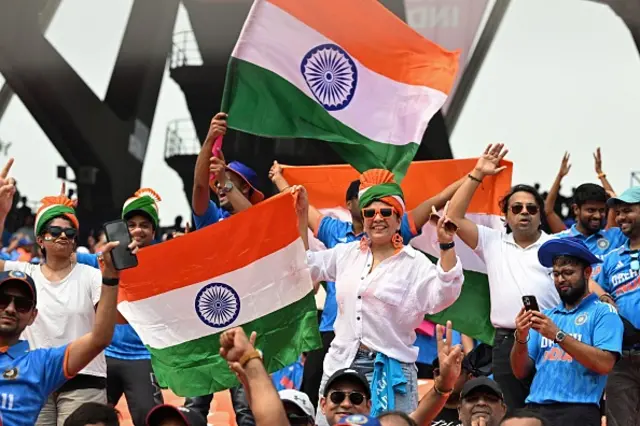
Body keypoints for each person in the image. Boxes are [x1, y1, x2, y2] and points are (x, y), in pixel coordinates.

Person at [270, 160, 465, 409]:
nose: (377, 219)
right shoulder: (347, 253)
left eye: (386, 213)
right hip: (340, 366)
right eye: (370, 213)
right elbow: (303, 268)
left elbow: (443, 295)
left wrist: (446, 245)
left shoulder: (414, 263)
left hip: (391, 371)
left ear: (398, 219)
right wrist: (300, 215)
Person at [447, 144, 560, 411]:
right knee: (512, 414)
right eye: (517, 208)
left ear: (540, 216)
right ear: (506, 215)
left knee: (551, 413)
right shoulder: (491, 241)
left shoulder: (558, 245)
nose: (524, 212)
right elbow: (452, 216)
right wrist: (477, 173)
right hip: (507, 340)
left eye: (532, 209)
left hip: (551, 338)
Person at [0, 193, 109, 426]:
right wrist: (1, 214)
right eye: (54, 231)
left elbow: (112, 324)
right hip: (35, 379)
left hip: (85, 378)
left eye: (69, 233)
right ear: (40, 239)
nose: (62, 236)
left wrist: (114, 280)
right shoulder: (26, 273)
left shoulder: (92, 276)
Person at [186, 112, 263, 424]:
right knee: (193, 408)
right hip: (206, 322)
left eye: (232, 183)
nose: (221, 186)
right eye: (220, 181)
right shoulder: (209, 219)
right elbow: (199, 185)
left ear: (246, 190)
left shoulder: (258, 221)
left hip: (245, 323)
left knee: (247, 411)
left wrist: (225, 179)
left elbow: (254, 221)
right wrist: (208, 142)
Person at [75, 188, 165, 426]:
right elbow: (63, 258)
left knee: (151, 420)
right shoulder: (103, 260)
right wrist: (66, 220)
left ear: (154, 231)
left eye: (145, 225)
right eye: (131, 224)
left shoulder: (166, 262)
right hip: (104, 354)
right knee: (89, 421)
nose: (137, 230)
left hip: (144, 357)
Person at [510, 238, 622, 426]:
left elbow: (605, 364)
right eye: (556, 274)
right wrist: (520, 338)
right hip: (535, 408)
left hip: (578, 410)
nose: (561, 279)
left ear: (587, 272)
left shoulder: (604, 312)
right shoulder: (546, 316)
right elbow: (520, 372)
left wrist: (558, 335)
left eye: (568, 273)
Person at [594, 187, 640, 426]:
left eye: (628, 211)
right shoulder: (612, 258)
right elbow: (591, 287)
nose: (621, 217)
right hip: (622, 356)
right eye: (618, 212)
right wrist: (603, 297)